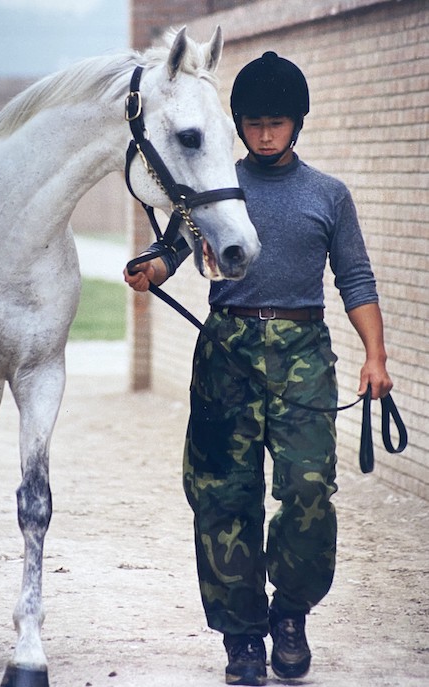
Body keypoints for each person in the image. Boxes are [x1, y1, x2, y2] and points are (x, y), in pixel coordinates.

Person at [124, 50, 393, 686]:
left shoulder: (328, 195)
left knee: (307, 491)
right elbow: (175, 247)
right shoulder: (217, 184)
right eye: (252, 122)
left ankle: (291, 615)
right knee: (222, 498)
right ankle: (242, 638)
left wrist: (375, 356)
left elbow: (355, 277)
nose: (264, 133)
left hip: (304, 356)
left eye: (276, 122)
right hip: (226, 354)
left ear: (296, 123)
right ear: (238, 124)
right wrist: (151, 270)